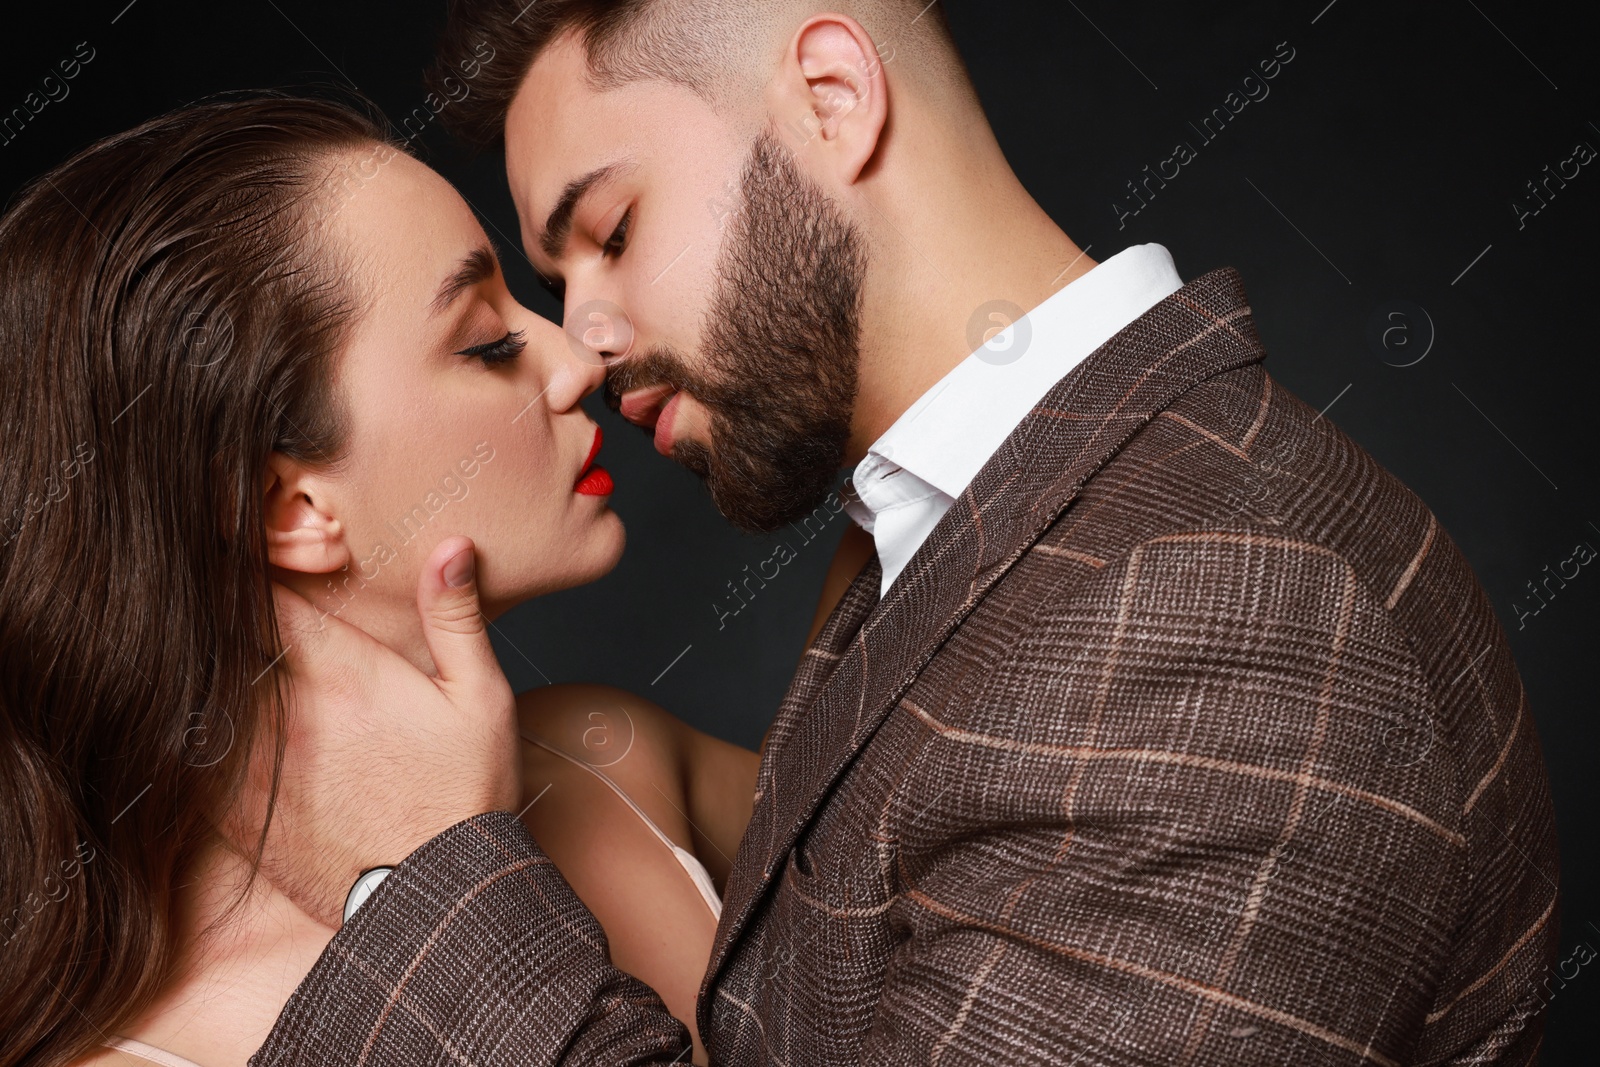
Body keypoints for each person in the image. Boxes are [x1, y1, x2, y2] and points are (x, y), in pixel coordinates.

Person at [247, 1, 1562, 1065]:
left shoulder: (1223, 617)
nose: (583, 341)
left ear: (832, 97)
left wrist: (427, 873)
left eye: (612, 231)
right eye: (550, 284)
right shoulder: (959, 526)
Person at [0, 95, 758, 1067]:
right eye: (486, 342)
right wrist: (417, 891)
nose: (576, 361)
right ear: (293, 508)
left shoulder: (599, 757)